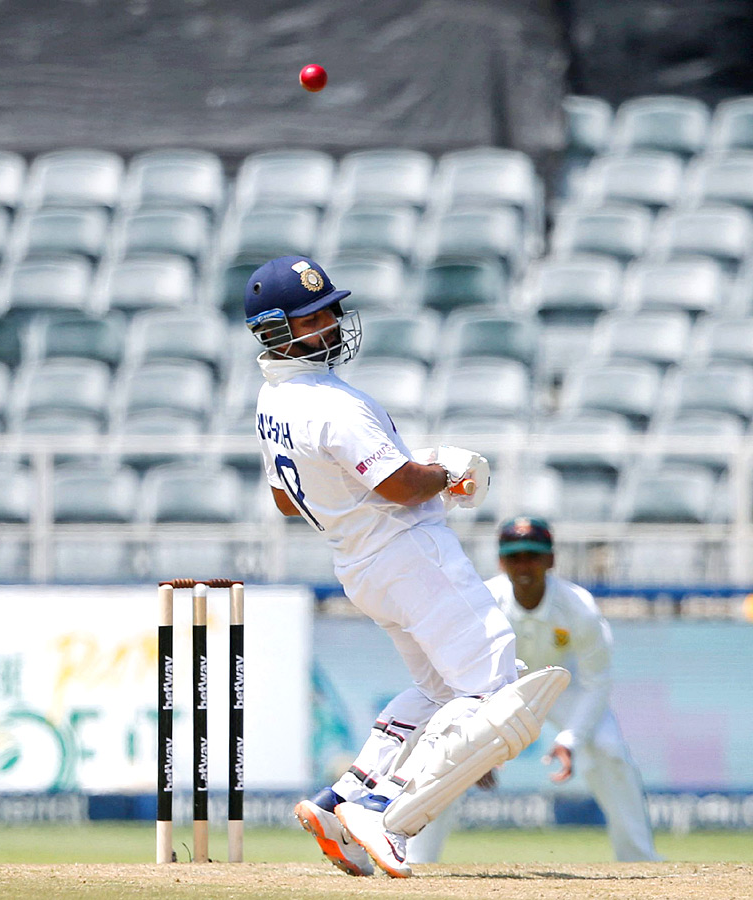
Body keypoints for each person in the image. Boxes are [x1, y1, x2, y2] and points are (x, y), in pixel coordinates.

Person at [245, 255, 566, 878]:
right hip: (409, 553)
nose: (334, 323)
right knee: (497, 686)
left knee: (442, 690)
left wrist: (411, 470)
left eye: (333, 310)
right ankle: (382, 808)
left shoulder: (270, 401)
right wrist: (450, 473)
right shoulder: (336, 404)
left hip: (360, 566)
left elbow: (287, 500)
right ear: (278, 329)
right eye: (316, 317)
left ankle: (338, 801)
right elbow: (398, 486)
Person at [406, 516, 660, 864]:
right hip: (497, 687)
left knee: (610, 750)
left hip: (562, 686)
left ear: (551, 560)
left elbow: (596, 682)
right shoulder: (483, 601)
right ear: (501, 562)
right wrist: (477, 744)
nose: (524, 565)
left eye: (533, 555)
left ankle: (639, 860)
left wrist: (571, 739)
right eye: (514, 556)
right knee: (449, 754)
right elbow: (459, 672)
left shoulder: (579, 607)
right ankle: (417, 861)